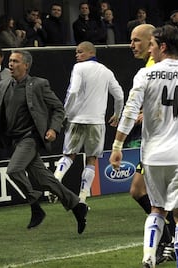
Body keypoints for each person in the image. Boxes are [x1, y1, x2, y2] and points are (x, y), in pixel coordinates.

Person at [109, 24, 178, 268]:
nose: (150, 49)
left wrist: (117, 145)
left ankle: (148, 256)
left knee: (157, 210)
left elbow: (129, 112)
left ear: (163, 46)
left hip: (153, 156)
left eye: (153, 45)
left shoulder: (145, 75)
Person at [0, 50, 88, 235]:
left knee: (13, 170)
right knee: (44, 180)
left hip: (30, 138)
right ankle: (77, 205)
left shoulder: (38, 84)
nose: (11, 64)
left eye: (15, 61)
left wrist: (53, 129)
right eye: (10, 61)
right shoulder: (3, 85)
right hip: (15, 140)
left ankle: (34, 203)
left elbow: (58, 109)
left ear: (26, 65)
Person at [52, 41, 124, 205]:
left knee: (69, 155)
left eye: (80, 52)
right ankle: (83, 198)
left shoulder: (79, 68)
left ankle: (55, 181)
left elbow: (73, 91)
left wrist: (65, 113)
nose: (77, 56)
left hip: (77, 119)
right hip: (97, 122)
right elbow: (119, 95)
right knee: (91, 159)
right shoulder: (106, 71)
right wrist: (117, 114)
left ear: (91, 53)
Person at [129, 23, 177, 264]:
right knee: (140, 191)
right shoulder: (149, 66)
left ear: (152, 43)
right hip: (152, 142)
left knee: (159, 196)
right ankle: (169, 240)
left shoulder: (159, 65)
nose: (131, 45)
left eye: (136, 40)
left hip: (165, 143)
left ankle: (170, 242)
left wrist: (146, 114)